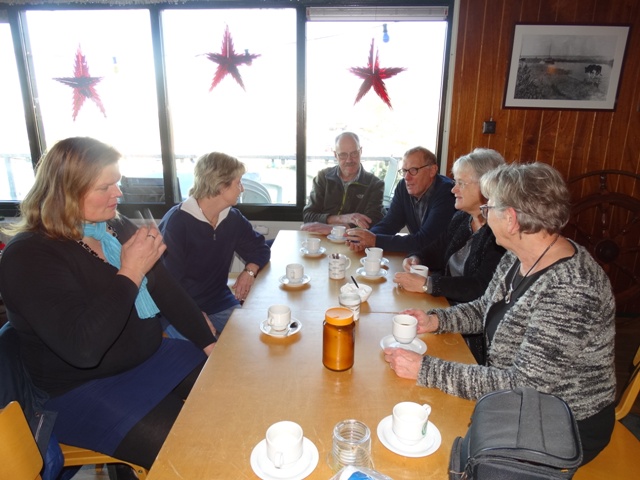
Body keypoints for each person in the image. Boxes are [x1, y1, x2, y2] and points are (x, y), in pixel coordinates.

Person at [0, 137, 217, 472]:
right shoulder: (29, 256)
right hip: (81, 389)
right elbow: (83, 349)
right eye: (105, 187)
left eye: (117, 183)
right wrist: (130, 271)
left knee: (230, 388)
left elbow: (166, 290)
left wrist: (208, 342)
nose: (118, 193)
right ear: (65, 192)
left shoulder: (112, 226)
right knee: (199, 449)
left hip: (150, 358)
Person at [384, 162, 616, 465]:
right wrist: (436, 320)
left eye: (489, 207)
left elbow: (523, 386)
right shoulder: (518, 256)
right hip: (515, 404)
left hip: (560, 425)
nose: (484, 213)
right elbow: (485, 307)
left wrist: (426, 369)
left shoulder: (573, 288)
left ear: (511, 219)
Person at [160, 152, 270, 334]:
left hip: (219, 301)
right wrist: (194, 315)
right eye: (238, 183)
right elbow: (168, 286)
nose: (242, 189)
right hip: (177, 308)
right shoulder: (177, 223)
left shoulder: (232, 218)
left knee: (252, 339)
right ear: (220, 186)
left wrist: (249, 271)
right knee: (203, 350)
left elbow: (259, 248)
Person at [393, 148, 506, 304]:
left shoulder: (499, 233)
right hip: (444, 302)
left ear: (486, 186)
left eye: (461, 183)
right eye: (455, 182)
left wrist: (429, 284)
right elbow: (437, 249)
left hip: (466, 313)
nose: (453, 190)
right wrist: (416, 257)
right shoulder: (462, 218)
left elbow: (480, 287)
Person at [346, 146, 456, 253]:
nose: (407, 177)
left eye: (413, 170)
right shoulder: (404, 187)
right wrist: (363, 239)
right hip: (420, 256)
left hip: (445, 260)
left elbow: (426, 240)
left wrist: (374, 240)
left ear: (432, 170)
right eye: (404, 171)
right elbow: (390, 223)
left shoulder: (447, 193)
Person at [301, 132, 385, 235]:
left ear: (361, 151)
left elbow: (372, 221)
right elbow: (308, 216)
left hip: (355, 240)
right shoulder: (323, 177)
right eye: (343, 155)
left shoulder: (375, 184)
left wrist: (334, 229)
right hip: (321, 238)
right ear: (335, 155)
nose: (349, 160)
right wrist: (343, 218)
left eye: (354, 153)